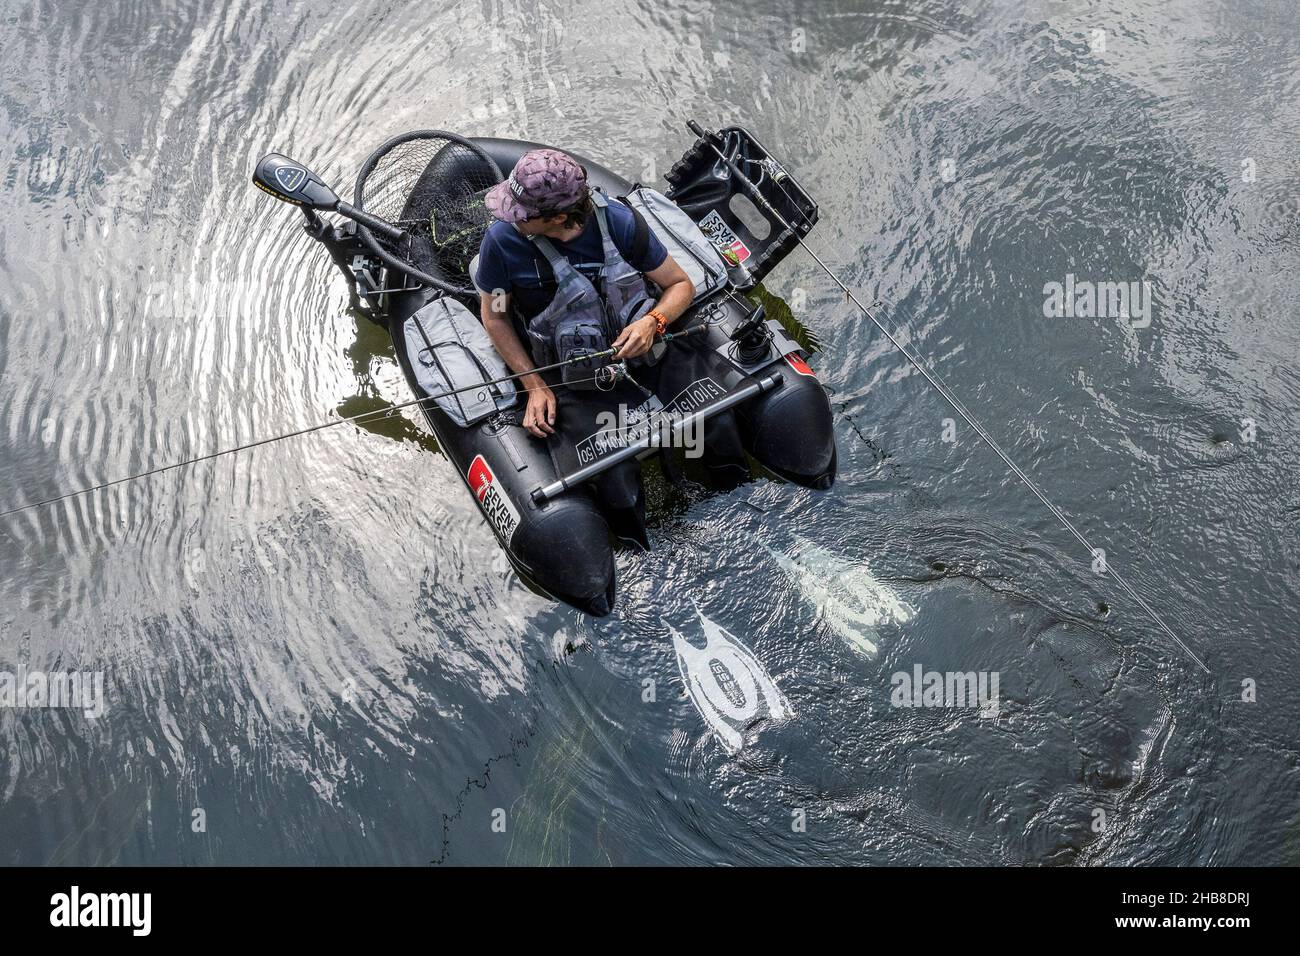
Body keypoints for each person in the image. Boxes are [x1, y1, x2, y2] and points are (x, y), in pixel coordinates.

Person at [474, 148, 695, 438]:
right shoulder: (502, 244)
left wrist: (654, 321)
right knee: (616, 474)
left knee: (714, 425)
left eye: (521, 213)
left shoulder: (621, 222)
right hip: (568, 371)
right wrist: (534, 385)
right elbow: (497, 318)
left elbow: (680, 285)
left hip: (642, 351)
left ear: (558, 217)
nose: (512, 217)